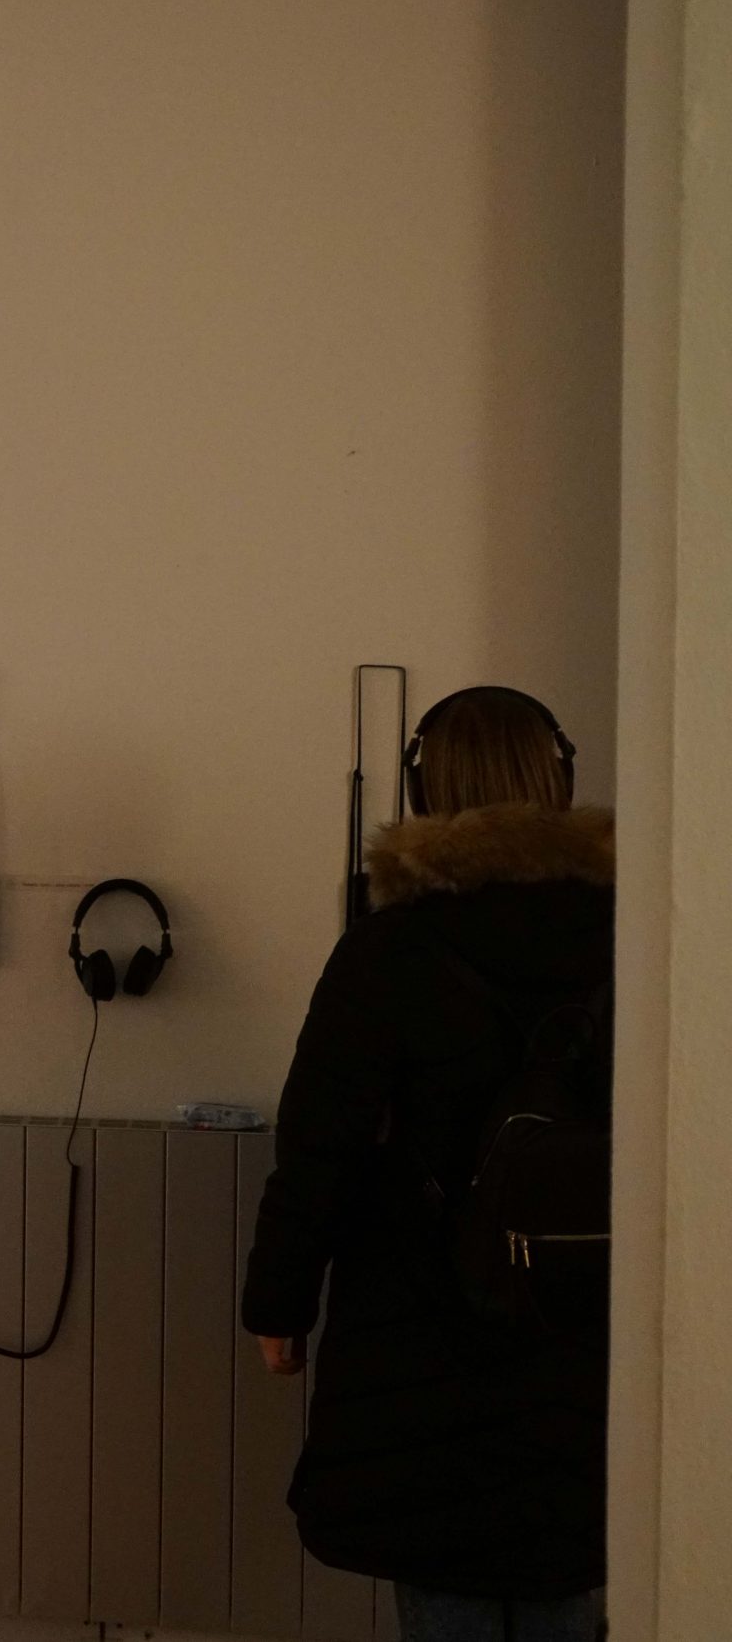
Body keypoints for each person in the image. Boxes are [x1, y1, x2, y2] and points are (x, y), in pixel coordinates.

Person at [243, 686, 614, 1642]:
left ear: (423, 789)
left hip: (421, 1324)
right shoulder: (633, 938)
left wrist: (281, 1304)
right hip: (585, 1315)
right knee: (566, 1568)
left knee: (445, 1573)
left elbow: (317, 1146)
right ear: (561, 779)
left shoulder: (388, 950)